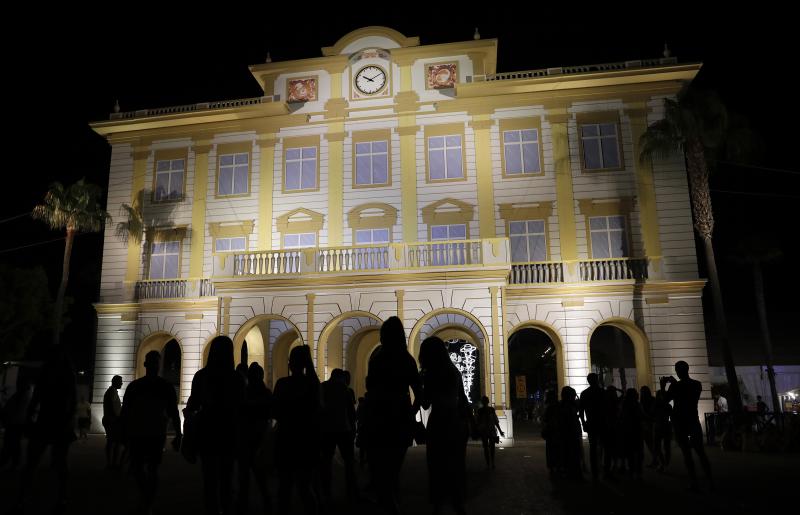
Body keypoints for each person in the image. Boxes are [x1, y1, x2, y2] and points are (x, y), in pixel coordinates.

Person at [363, 316, 422, 515]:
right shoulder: (407, 359)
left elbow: (369, 388)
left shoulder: (378, 357)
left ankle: (388, 505)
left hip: (378, 418)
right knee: (392, 471)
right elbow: (419, 393)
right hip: (399, 419)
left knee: (380, 471)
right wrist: (409, 415)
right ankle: (392, 504)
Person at [186, 336, 245, 515]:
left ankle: (213, 509)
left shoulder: (202, 376)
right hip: (229, 432)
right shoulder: (236, 377)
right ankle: (226, 507)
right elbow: (242, 408)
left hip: (208, 432)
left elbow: (192, 405)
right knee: (227, 479)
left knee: (210, 481)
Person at [14, 346, 77, 514]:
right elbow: (72, 401)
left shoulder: (49, 372)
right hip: (55, 421)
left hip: (48, 420)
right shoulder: (66, 374)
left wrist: (30, 417)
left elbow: (38, 398)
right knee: (56, 463)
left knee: (37, 462)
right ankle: (60, 498)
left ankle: (24, 498)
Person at [122, 350, 182, 514]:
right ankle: (147, 498)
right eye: (154, 362)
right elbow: (173, 412)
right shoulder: (164, 386)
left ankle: (146, 499)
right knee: (147, 469)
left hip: (144, 433)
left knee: (143, 468)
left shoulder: (136, 386)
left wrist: (178, 433)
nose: (155, 366)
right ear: (150, 365)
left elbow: (125, 411)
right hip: (150, 432)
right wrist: (178, 433)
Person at [419, 336, 470, 515]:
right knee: (456, 466)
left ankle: (439, 505)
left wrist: (419, 385)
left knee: (437, 467)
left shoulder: (431, 373)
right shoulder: (453, 371)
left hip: (439, 422)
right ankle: (458, 503)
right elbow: (463, 399)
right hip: (455, 422)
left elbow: (425, 403)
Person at [272, 344, 320, 515]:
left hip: (286, 438)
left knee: (284, 487)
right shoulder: (313, 383)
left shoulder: (283, 384)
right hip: (306, 439)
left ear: (291, 363)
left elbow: (275, 411)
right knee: (305, 487)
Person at [662, 361, 713, 491]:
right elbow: (690, 398)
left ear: (678, 371)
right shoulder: (697, 384)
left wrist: (664, 387)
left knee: (687, 453)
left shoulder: (675, 386)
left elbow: (665, 400)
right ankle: (709, 478)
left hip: (680, 421)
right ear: (688, 369)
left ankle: (693, 480)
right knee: (700, 451)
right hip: (693, 419)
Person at [236, 362, 272, 515]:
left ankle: (243, 504)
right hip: (260, 437)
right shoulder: (266, 393)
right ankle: (266, 503)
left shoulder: (243, 393)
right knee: (260, 476)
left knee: (244, 476)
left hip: (246, 438)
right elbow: (271, 414)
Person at [319, 368, 358, 504]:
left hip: (327, 429)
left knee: (326, 461)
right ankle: (351, 491)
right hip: (343, 429)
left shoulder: (323, 387)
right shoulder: (345, 389)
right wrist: (353, 429)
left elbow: (319, 408)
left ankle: (326, 491)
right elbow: (351, 413)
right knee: (349, 461)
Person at [0, 374, 32, 471]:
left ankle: (8, 462)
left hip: (15, 423)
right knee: (14, 444)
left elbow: (13, 409)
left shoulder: (21, 395)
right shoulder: (22, 395)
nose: (18, 384)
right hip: (16, 423)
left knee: (11, 444)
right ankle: (13, 462)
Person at [579, 373, 607, 481]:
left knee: (593, 446)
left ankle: (595, 470)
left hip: (591, 423)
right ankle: (603, 468)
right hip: (602, 422)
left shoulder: (585, 393)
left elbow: (581, 411)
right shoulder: (602, 392)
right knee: (604, 446)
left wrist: (584, 423)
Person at [558, 386, 582, 480]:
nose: (574, 397)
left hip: (566, 433)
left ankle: (568, 472)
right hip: (571, 432)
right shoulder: (570, 405)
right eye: (573, 395)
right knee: (574, 453)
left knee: (567, 453)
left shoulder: (561, 405)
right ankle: (574, 473)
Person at [476, 395, 504, 470]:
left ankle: (489, 464)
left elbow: (478, 422)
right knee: (491, 448)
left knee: (487, 448)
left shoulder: (480, 411)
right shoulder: (491, 410)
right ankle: (491, 463)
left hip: (485, 431)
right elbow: (495, 421)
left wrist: (477, 431)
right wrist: (500, 431)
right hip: (489, 431)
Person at [103, 375, 124, 469]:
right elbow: (113, 408)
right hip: (113, 421)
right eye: (120, 381)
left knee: (111, 442)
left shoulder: (112, 391)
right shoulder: (112, 392)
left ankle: (110, 462)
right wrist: (118, 418)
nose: (122, 383)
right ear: (115, 382)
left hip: (111, 420)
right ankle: (113, 463)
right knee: (115, 442)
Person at [540, 390, 560, 478]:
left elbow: (544, 419)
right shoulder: (558, 406)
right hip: (557, 431)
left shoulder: (548, 407)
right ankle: (558, 466)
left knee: (550, 450)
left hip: (551, 431)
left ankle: (552, 467)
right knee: (558, 449)